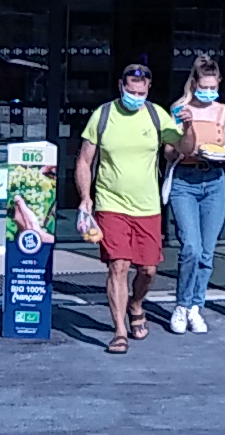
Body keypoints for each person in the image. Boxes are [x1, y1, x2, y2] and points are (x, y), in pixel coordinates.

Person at [72, 60, 181, 354]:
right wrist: (85, 197)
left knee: (148, 270)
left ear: (149, 89)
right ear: (121, 86)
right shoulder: (103, 115)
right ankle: (119, 331)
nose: (135, 97)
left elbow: (177, 151)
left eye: (141, 93)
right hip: (111, 203)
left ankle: (136, 303)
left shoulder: (157, 116)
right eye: (131, 91)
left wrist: (189, 130)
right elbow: (84, 160)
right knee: (118, 265)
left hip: (147, 206)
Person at [162, 53, 225, 331]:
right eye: (203, 87)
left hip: (214, 180)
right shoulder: (180, 108)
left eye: (212, 87)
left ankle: (196, 306)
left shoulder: (224, 112)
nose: (208, 92)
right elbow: (168, 150)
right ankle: (181, 305)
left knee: (207, 251)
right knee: (190, 247)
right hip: (185, 179)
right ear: (194, 84)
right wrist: (185, 144)